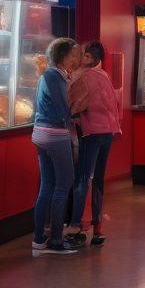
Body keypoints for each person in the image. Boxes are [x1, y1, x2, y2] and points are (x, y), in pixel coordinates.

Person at [65, 41, 122, 247]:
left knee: (81, 179)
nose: (77, 58)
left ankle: (74, 227)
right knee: (98, 180)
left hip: (92, 134)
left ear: (88, 58)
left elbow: (73, 105)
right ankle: (98, 228)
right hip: (108, 132)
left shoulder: (84, 78)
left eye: (81, 55)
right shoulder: (104, 75)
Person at [32, 37, 82, 256]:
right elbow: (64, 110)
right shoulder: (56, 76)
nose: (77, 58)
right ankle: (55, 241)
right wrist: (76, 114)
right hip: (55, 134)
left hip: (40, 132)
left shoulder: (48, 75)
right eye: (74, 55)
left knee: (48, 185)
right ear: (62, 56)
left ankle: (39, 238)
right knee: (64, 184)